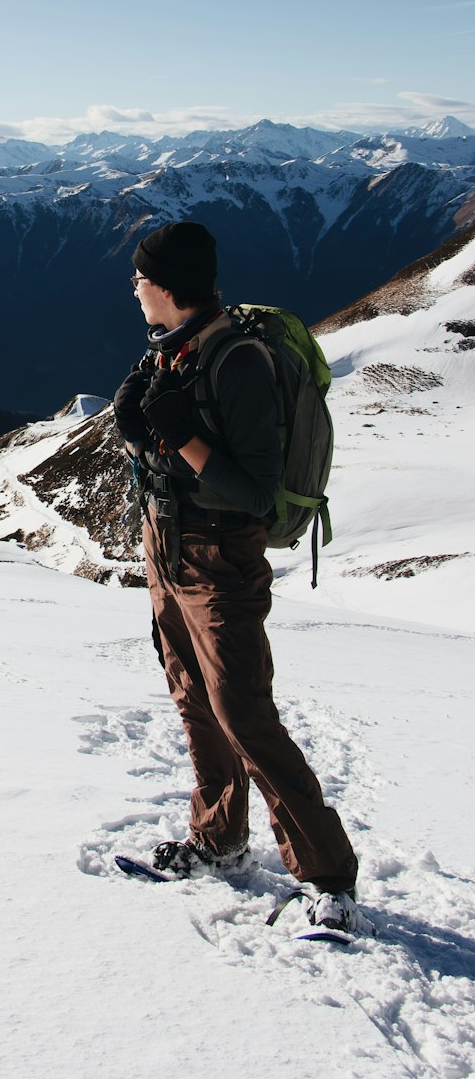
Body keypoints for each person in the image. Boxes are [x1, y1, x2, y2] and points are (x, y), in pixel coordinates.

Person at [113, 220, 367, 935]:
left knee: (244, 712)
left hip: (219, 559)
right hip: (167, 547)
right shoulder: (170, 350)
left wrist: (179, 433)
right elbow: (156, 437)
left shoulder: (238, 360)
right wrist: (142, 424)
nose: (133, 288)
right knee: (194, 700)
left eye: (140, 277)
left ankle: (329, 881)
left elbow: (255, 491)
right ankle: (219, 839)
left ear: (165, 285)